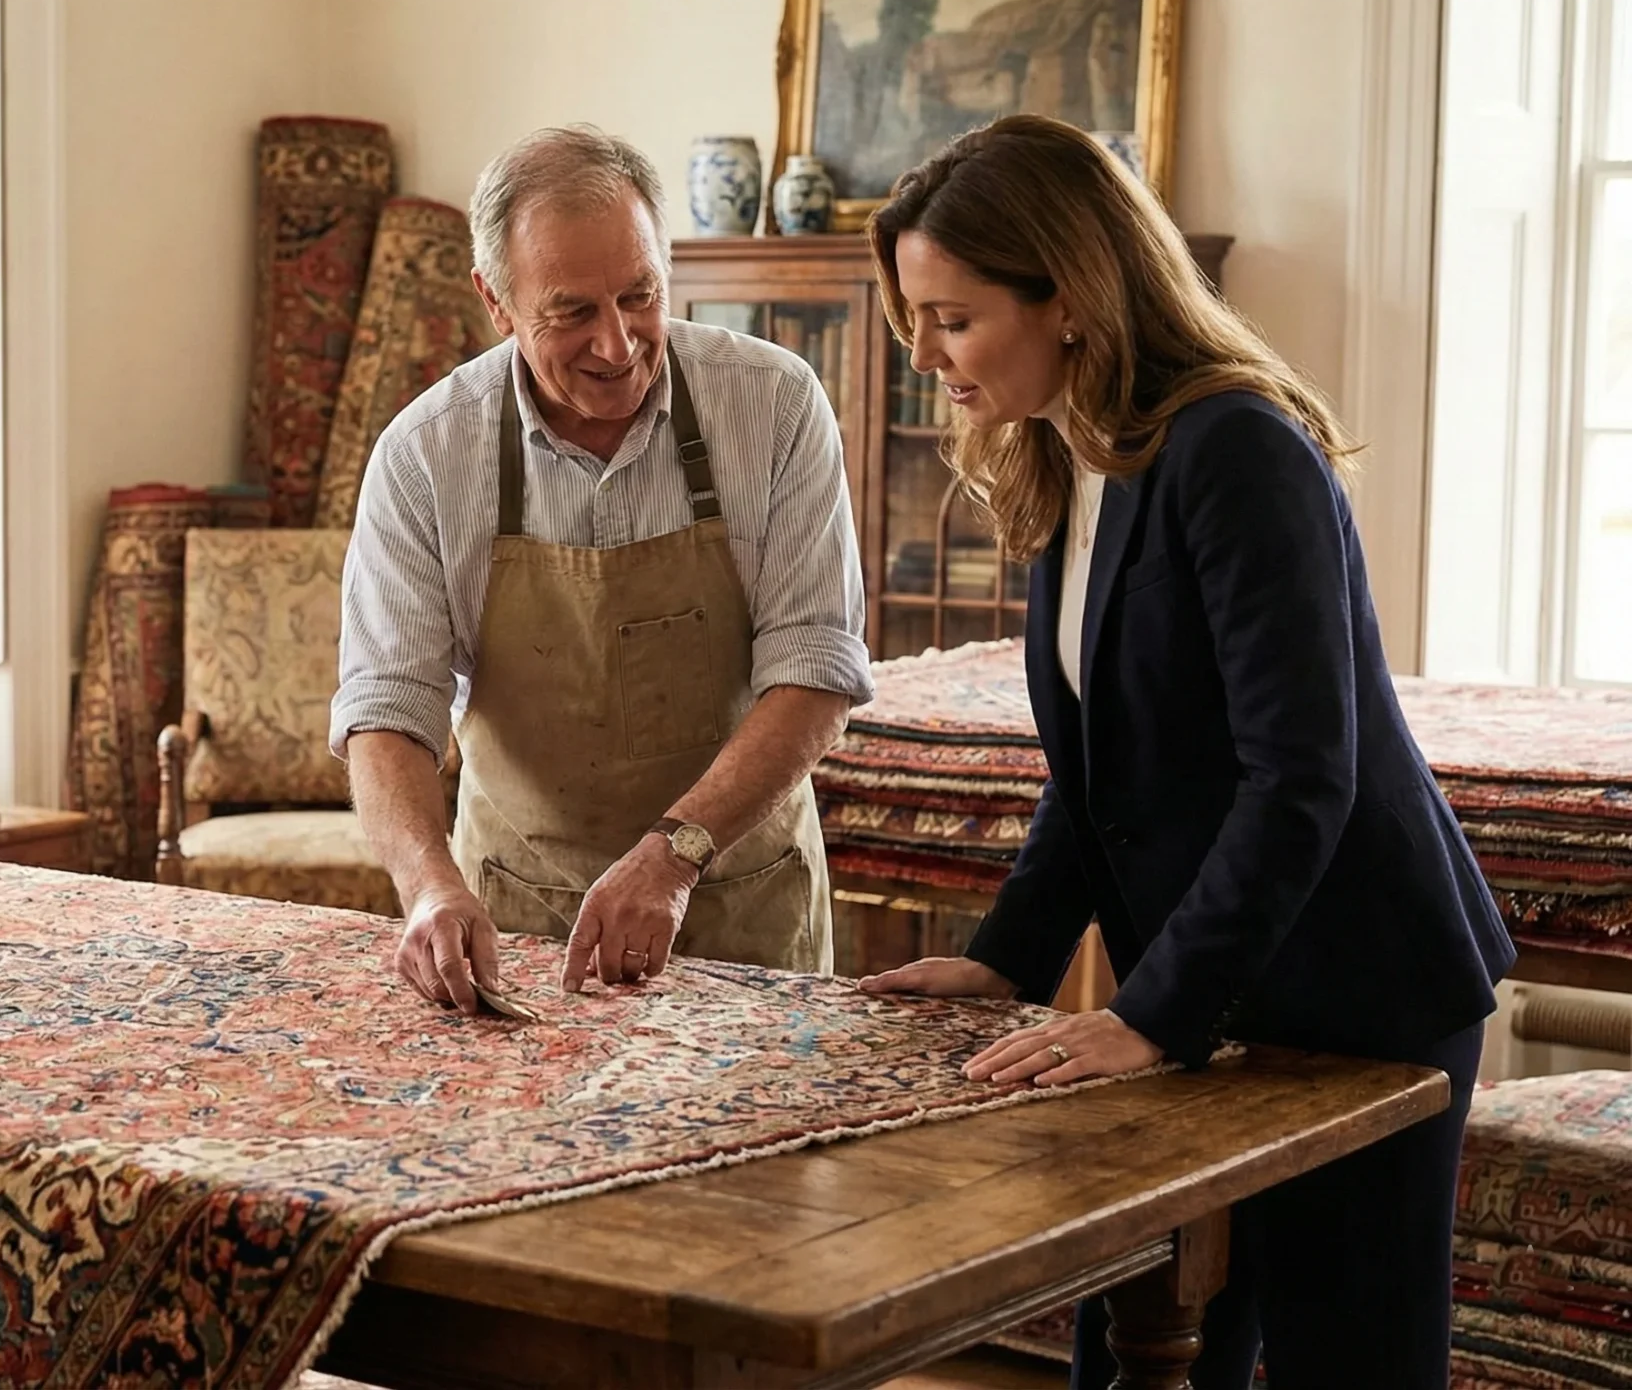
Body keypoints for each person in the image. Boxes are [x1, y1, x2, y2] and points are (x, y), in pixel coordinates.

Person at [854, 114, 1515, 1388]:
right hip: (1211, 1002)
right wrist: (1007, 963)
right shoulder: (1063, 454)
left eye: (951, 318)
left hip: (1360, 997)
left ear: (1072, 300)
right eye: (912, 322)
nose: (924, 356)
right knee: (1138, 1352)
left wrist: (1147, 1016)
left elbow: (1298, 777)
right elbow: (1095, 780)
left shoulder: (1238, 449)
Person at [329, 125, 873, 1007]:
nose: (617, 345)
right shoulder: (426, 456)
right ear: (496, 304)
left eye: (640, 295)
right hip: (521, 921)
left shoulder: (774, 406)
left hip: (741, 904)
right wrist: (429, 885)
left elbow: (815, 674)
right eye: (571, 312)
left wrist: (676, 854)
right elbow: (388, 710)